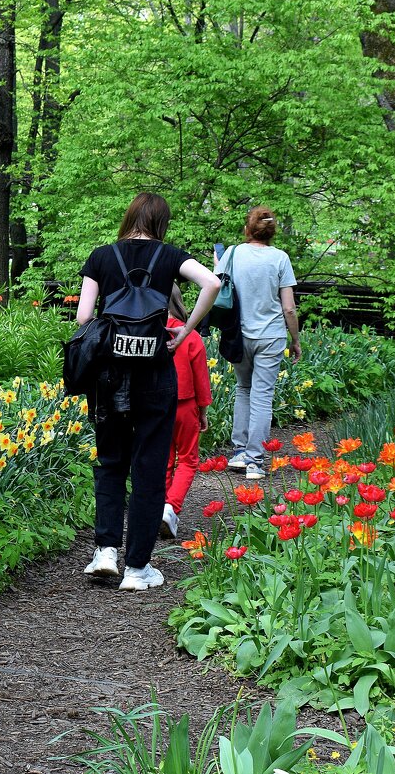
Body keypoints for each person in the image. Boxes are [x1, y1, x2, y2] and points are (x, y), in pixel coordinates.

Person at [76, 192, 221, 591]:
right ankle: (138, 569)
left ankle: (105, 552)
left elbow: (84, 317)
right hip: (155, 375)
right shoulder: (171, 256)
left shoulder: (101, 256)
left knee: (110, 461)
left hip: (109, 376)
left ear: (129, 217)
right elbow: (212, 282)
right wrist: (186, 330)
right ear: (161, 223)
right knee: (149, 467)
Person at [214, 206, 301, 481]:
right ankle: (255, 461)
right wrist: (295, 340)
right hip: (271, 336)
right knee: (262, 395)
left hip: (238, 334)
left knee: (243, 388)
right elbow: (288, 308)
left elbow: (216, 286)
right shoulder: (280, 258)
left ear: (247, 229)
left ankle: (239, 453)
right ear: (272, 233)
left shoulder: (232, 253)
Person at [160, 286, 212, 538]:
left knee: (164, 459)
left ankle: (160, 507)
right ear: (178, 301)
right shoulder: (188, 333)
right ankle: (171, 508)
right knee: (188, 459)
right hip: (185, 404)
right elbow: (201, 377)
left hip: (156, 406)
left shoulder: (150, 332)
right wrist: (203, 410)